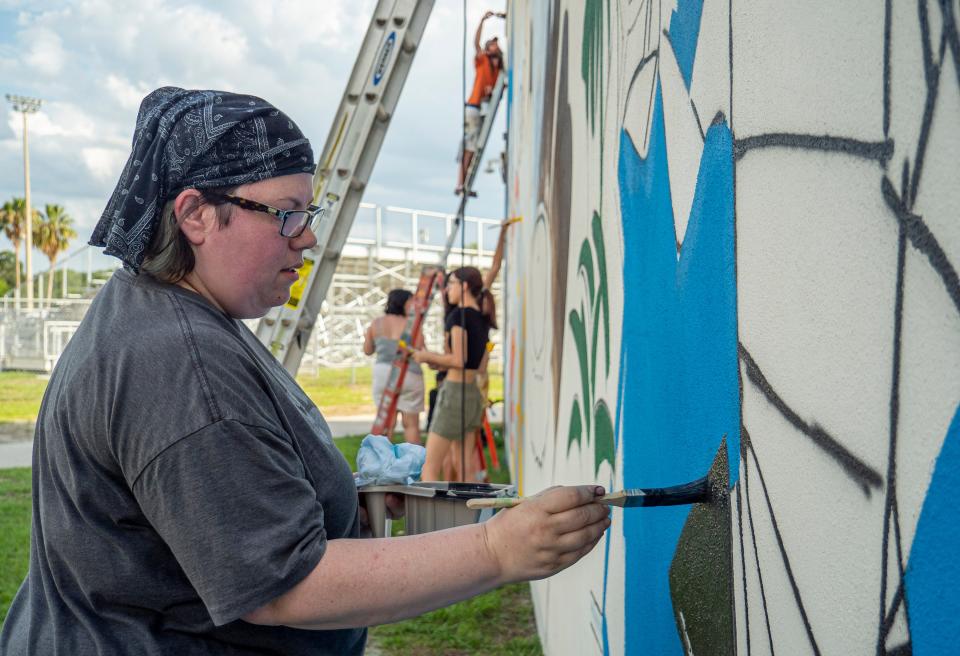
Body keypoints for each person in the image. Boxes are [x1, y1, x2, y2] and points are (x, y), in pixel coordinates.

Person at [0, 87, 610, 656]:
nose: (308, 236)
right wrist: (496, 549)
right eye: (287, 213)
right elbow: (282, 587)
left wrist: (337, 502)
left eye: (309, 210)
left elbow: (212, 502)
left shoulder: (164, 311)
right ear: (196, 215)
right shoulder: (178, 358)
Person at [412, 266, 496, 481]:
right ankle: (478, 515)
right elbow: (475, 365)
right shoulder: (482, 317)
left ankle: (430, 516)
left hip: (454, 394)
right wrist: (441, 363)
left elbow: (458, 360)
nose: (448, 289)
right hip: (472, 394)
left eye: (451, 283)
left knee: (429, 467)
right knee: (465, 465)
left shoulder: (457, 316)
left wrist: (427, 357)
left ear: (465, 286)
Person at [364, 288, 424, 444]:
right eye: (411, 301)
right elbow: (420, 351)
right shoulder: (412, 325)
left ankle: (383, 465)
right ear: (403, 303)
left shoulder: (376, 323)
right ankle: (415, 465)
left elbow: (368, 350)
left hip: (383, 373)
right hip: (409, 373)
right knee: (411, 425)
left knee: (386, 424)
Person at [455, 10, 506, 195]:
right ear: (488, 49)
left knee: (475, 147)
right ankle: (460, 184)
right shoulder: (482, 60)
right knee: (469, 147)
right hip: (474, 107)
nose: (497, 47)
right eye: (493, 45)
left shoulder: (500, 71)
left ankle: (466, 183)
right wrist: (482, 21)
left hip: (482, 110)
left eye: (497, 44)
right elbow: (475, 43)